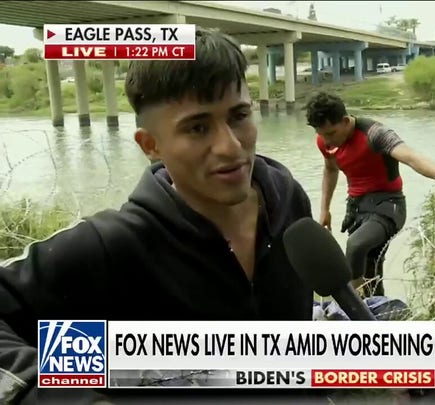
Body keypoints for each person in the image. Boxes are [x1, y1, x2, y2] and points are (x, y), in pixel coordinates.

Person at [0, 28, 321, 404]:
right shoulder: (114, 246)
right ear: (151, 145)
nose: (231, 146)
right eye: (198, 127)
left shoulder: (288, 200)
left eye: (239, 116)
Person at [304, 92, 435, 297]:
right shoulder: (325, 142)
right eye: (321, 134)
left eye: (331, 133)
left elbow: (411, 157)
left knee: (356, 245)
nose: (327, 140)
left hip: (388, 206)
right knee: (370, 272)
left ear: (346, 121)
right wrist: (325, 209)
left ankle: (348, 306)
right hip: (357, 209)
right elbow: (330, 170)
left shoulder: (375, 134)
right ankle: (376, 310)